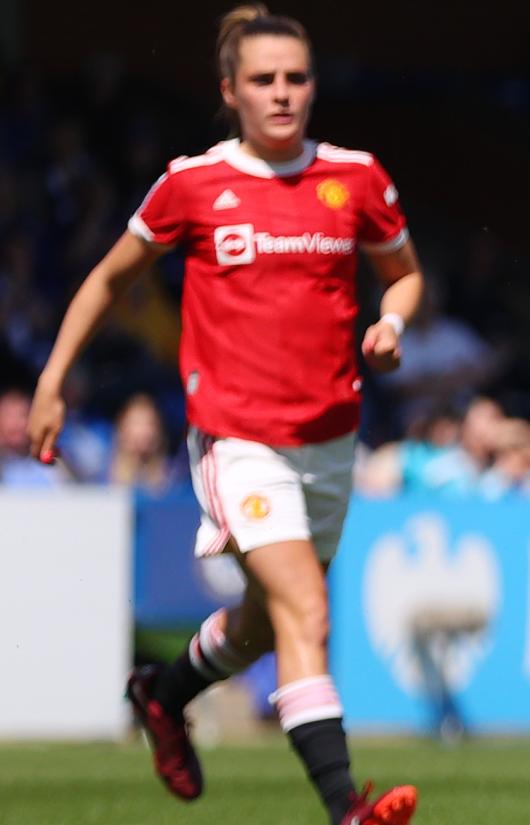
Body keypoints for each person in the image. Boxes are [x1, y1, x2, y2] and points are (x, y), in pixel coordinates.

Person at [24, 6, 421, 822]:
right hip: (238, 440)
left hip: (331, 440)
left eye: (296, 79)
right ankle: (348, 807)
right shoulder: (192, 184)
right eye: (264, 80)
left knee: (262, 625)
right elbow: (109, 278)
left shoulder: (356, 177)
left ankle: (162, 694)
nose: (282, 94)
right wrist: (54, 377)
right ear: (230, 91)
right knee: (307, 607)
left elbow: (404, 273)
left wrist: (392, 323)